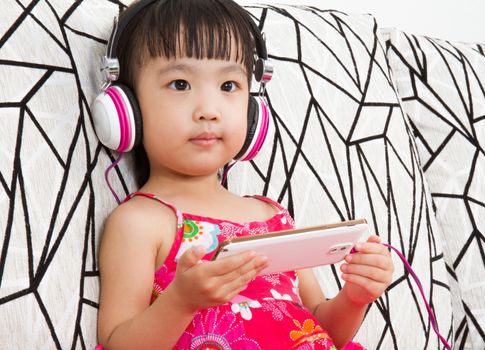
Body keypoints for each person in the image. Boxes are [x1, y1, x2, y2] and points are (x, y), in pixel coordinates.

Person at [94, 0, 394, 349]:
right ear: (126, 106)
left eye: (228, 87)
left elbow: (322, 329)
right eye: (179, 84)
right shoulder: (140, 222)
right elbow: (118, 343)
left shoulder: (273, 216)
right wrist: (181, 302)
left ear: (253, 111)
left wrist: (355, 297)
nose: (209, 110)